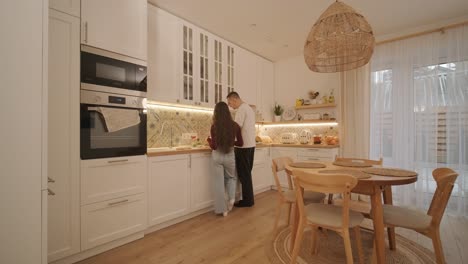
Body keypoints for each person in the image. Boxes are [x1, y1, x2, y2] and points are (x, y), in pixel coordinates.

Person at [207, 101, 243, 216]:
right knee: (231, 178)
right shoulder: (235, 125)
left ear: (216, 113)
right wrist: (231, 142)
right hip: (230, 156)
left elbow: (214, 146)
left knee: (218, 183)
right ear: (228, 112)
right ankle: (231, 200)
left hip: (217, 156)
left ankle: (222, 210)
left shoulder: (214, 126)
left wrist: (208, 140)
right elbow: (241, 143)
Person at [226, 91, 256, 207]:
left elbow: (236, 127)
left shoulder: (241, 110)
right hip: (250, 145)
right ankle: (249, 199)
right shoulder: (248, 108)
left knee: (244, 175)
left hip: (243, 147)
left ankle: (248, 201)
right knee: (247, 174)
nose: (230, 105)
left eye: (230, 103)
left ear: (234, 99)